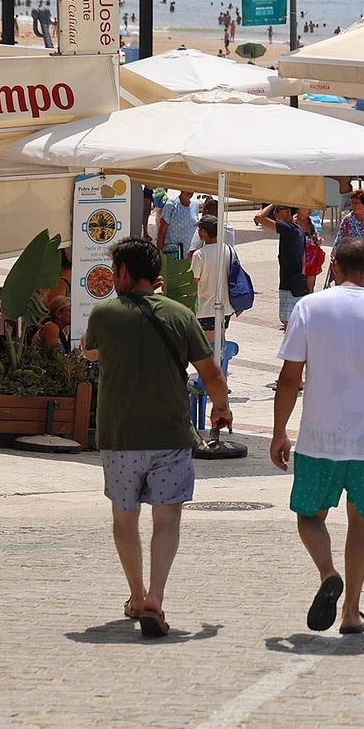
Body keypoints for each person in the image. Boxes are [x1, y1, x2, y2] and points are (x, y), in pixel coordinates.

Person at [271, 237, 364, 636]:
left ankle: (328, 573)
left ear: (334, 265)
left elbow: (289, 378)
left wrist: (278, 431)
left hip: (318, 436)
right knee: (362, 518)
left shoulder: (309, 307)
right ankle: (351, 612)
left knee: (309, 515)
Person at [83, 235, 230, 638]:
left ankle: (135, 595)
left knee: (124, 517)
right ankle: (155, 597)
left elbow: (90, 353)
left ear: (124, 272)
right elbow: (212, 373)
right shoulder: (180, 314)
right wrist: (221, 408)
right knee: (167, 519)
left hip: (120, 436)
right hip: (170, 435)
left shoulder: (105, 314)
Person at [255, 204, 309, 326]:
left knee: (288, 323)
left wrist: (273, 203)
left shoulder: (288, 229)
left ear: (288, 212)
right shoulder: (299, 229)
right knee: (295, 321)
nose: (275, 213)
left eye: (278, 210)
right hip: (297, 282)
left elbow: (259, 217)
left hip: (288, 283)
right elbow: (303, 259)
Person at [189, 216, 239, 345]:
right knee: (221, 342)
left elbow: (194, 282)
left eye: (199, 229)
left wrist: (190, 307)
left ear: (203, 232)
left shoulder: (200, 254)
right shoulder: (229, 250)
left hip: (207, 308)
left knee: (210, 345)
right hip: (227, 306)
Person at [333, 190, 364, 293]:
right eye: (352, 202)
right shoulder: (348, 220)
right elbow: (340, 239)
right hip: (355, 259)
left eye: (357, 203)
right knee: (357, 286)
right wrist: (334, 257)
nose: (353, 205)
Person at [156, 189, 199, 258]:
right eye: (186, 189)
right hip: (174, 254)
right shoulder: (171, 205)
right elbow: (161, 231)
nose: (189, 192)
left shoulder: (195, 205)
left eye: (191, 189)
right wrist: (159, 254)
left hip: (191, 255)